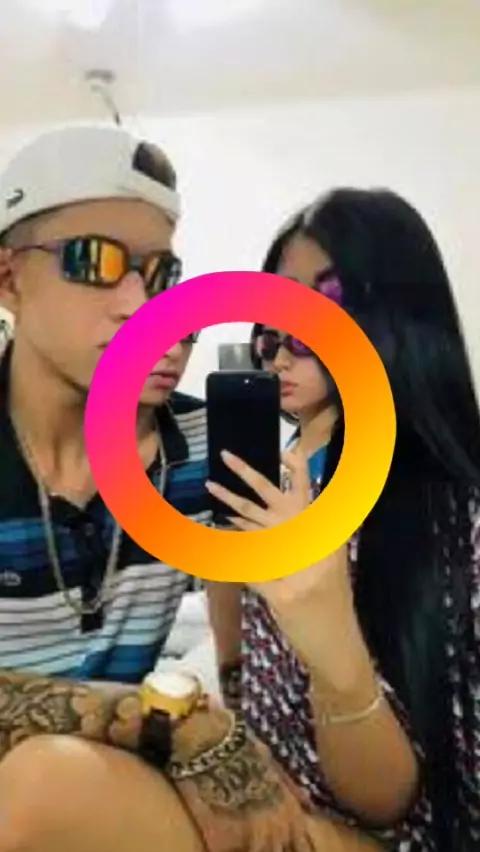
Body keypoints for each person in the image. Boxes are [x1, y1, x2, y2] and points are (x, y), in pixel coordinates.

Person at [0, 123, 323, 852]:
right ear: (9, 279)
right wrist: (173, 723)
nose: (137, 303)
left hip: (114, 797)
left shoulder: (208, 444)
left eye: (157, 272)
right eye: (93, 261)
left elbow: (249, 640)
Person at [206, 188, 480, 852]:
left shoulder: (453, 516)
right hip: (266, 799)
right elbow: (248, 674)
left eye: (324, 305)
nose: (283, 344)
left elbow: (392, 807)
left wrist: (331, 638)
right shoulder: (279, 477)